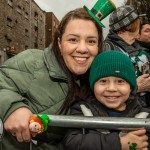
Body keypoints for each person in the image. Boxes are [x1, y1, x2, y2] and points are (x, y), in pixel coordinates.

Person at [0, 7, 103, 150]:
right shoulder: (33, 61)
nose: (82, 48)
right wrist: (12, 107)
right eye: (73, 39)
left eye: (91, 41)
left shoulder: (101, 76)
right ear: (60, 43)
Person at [63, 50, 150, 150]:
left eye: (120, 81)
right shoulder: (82, 110)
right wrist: (119, 143)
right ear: (93, 85)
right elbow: (72, 142)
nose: (111, 88)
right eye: (103, 81)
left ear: (130, 87)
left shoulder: (144, 115)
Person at [103, 5, 150, 107]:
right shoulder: (109, 51)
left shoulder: (135, 45)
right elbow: (107, 90)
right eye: (134, 30)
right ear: (121, 30)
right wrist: (136, 87)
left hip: (142, 107)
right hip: (124, 112)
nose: (137, 35)